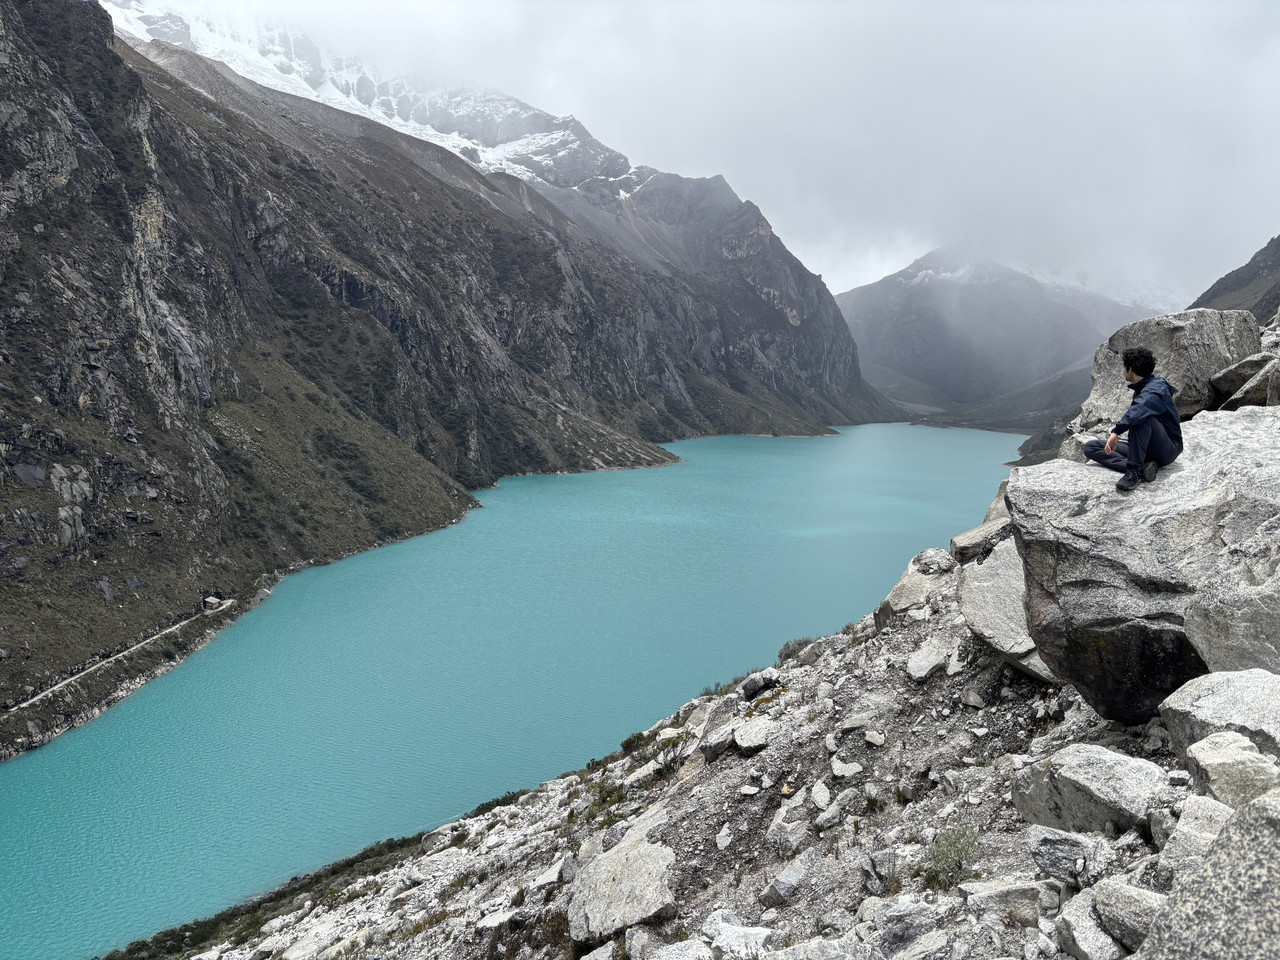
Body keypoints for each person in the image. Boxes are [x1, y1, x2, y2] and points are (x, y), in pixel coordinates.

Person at [1083, 346, 1182, 492]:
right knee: (1091, 447)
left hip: (1167, 449)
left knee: (1142, 418)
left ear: (1130, 370)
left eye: (1124, 368)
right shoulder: (1145, 386)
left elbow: (1139, 410)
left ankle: (1134, 472)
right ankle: (1144, 468)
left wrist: (1116, 432)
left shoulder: (1156, 389)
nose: (1124, 371)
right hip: (1147, 447)